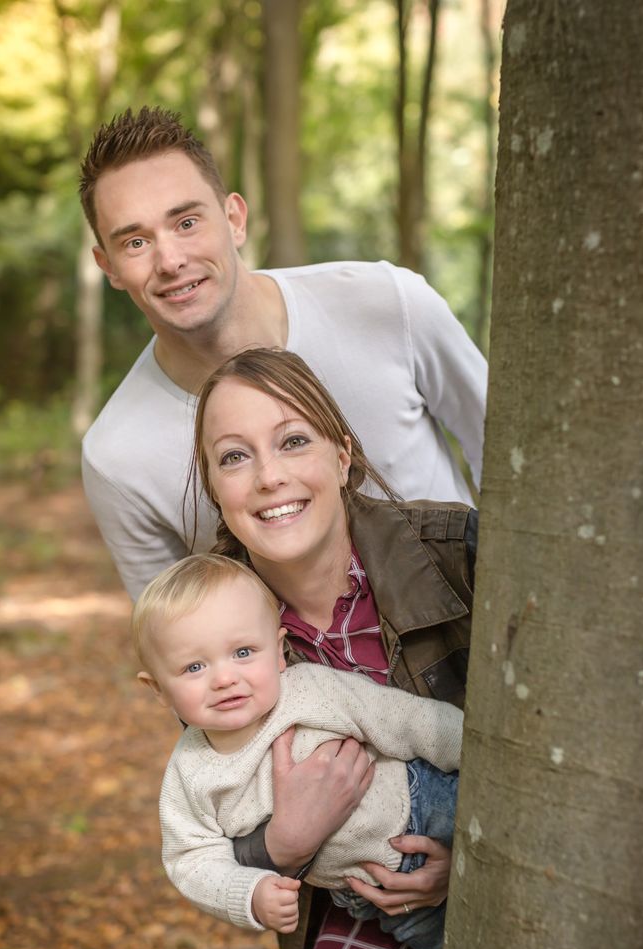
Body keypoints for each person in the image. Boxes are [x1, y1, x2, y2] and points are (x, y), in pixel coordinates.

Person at [189, 347, 476, 949]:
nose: (270, 477)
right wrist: (279, 845)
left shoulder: (460, 555)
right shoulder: (219, 629)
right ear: (216, 489)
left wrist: (475, 865)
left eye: (293, 441)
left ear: (342, 454)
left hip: (517, 871)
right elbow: (204, 821)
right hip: (370, 912)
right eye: (234, 458)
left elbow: (567, 759)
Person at [77, 105, 487, 601]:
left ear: (234, 219)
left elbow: (506, 451)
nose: (171, 260)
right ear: (109, 266)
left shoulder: (388, 302)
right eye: (136, 241)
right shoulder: (118, 458)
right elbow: (180, 642)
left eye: (186, 222)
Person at [134, 552, 462, 949]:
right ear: (158, 690)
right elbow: (192, 860)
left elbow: (406, 721)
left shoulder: (309, 691)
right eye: (194, 666)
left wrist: (479, 755)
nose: (224, 679)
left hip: (430, 803)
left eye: (242, 653)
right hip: (378, 893)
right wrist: (249, 894)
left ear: (278, 651)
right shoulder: (191, 773)